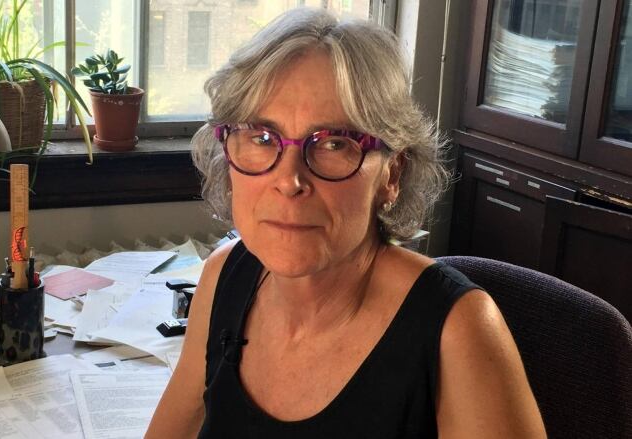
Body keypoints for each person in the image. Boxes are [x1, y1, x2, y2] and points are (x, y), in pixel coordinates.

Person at [146, 8, 546, 439]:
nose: (290, 181)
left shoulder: (459, 329)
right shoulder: (223, 277)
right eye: (262, 138)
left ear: (391, 175)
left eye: (335, 143)